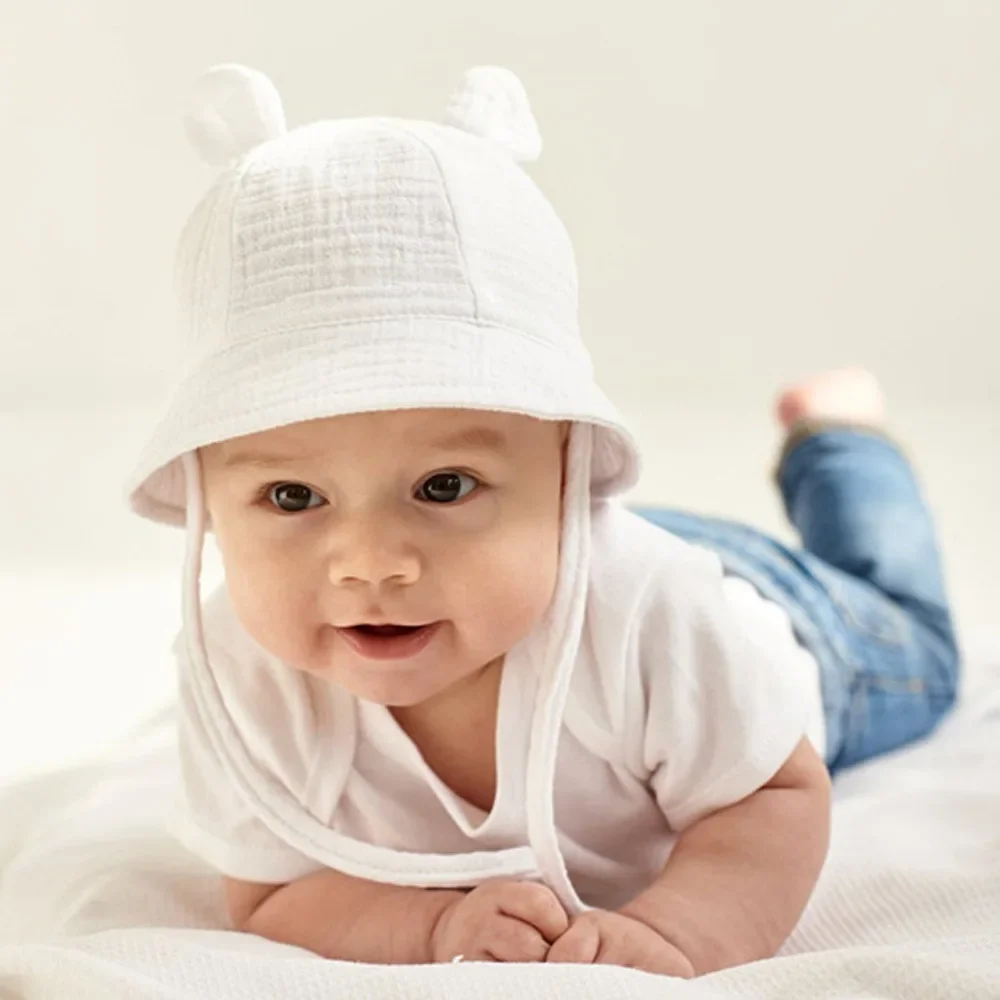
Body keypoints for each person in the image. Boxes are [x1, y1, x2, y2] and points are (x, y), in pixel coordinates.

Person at [126, 64, 959, 977]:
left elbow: (772, 794)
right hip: (538, 557)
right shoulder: (234, 671)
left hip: (769, 616)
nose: (370, 563)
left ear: (569, 463)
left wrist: (679, 931)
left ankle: (842, 440)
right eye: (293, 497)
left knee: (913, 637)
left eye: (444, 485)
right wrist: (433, 928)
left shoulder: (652, 612)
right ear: (208, 499)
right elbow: (269, 892)